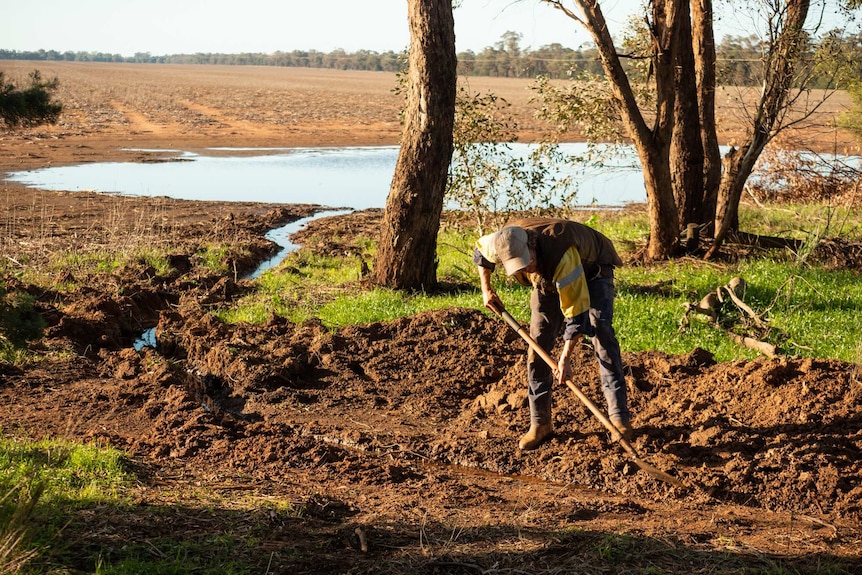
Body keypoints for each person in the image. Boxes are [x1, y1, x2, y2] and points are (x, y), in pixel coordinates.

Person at [474, 217, 632, 450]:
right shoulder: (501, 242)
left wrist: (565, 358)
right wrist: (486, 289)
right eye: (519, 266)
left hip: (595, 268)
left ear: (532, 245)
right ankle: (540, 423)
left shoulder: (561, 254)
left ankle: (618, 418)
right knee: (538, 342)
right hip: (547, 275)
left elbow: (576, 313)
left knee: (600, 332)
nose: (527, 268)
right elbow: (480, 253)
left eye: (527, 261)